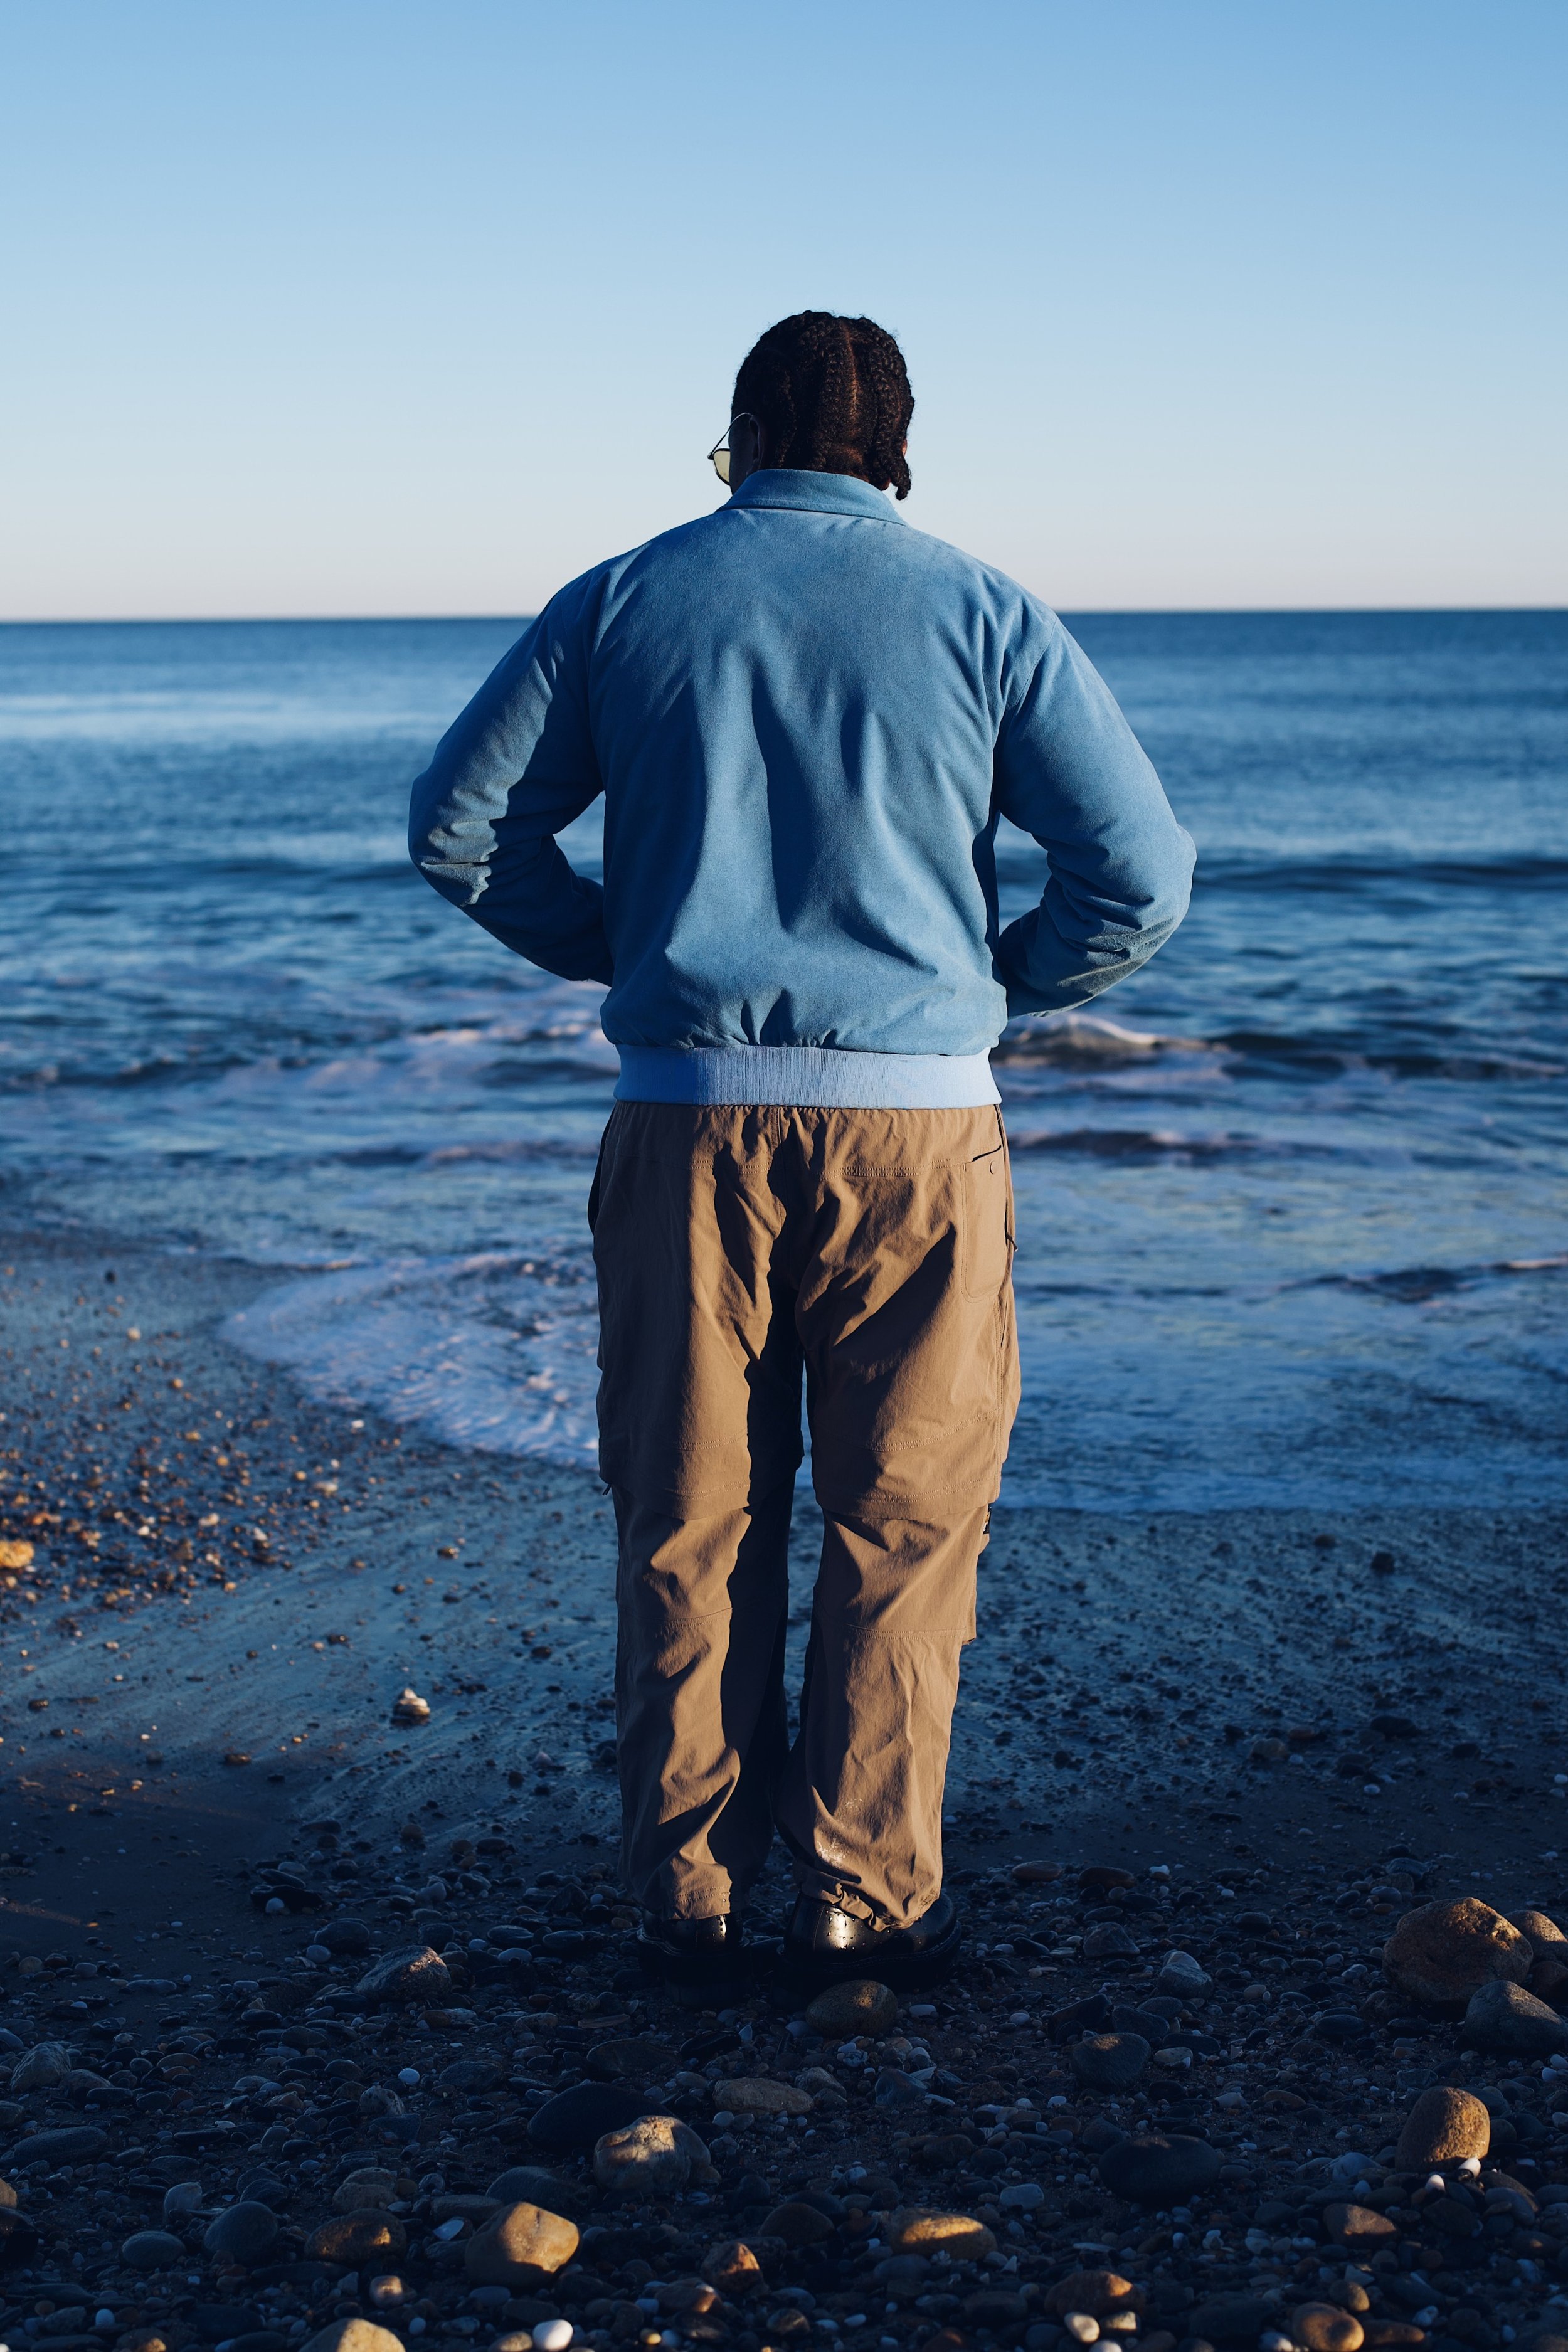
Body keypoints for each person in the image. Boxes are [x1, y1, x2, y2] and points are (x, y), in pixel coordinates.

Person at [409, 310, 1194, 1995]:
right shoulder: (983, 608)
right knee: (901, 1525)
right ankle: (856, 1892)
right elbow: (1138, 873)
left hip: (686, 1119)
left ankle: (686, 1898)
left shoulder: (625, 594)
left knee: (689, 1520)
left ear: (743, 434)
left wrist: (620, 949)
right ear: (896, 448)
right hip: (917, 1137)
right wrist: (992, 988)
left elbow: (460, 830)